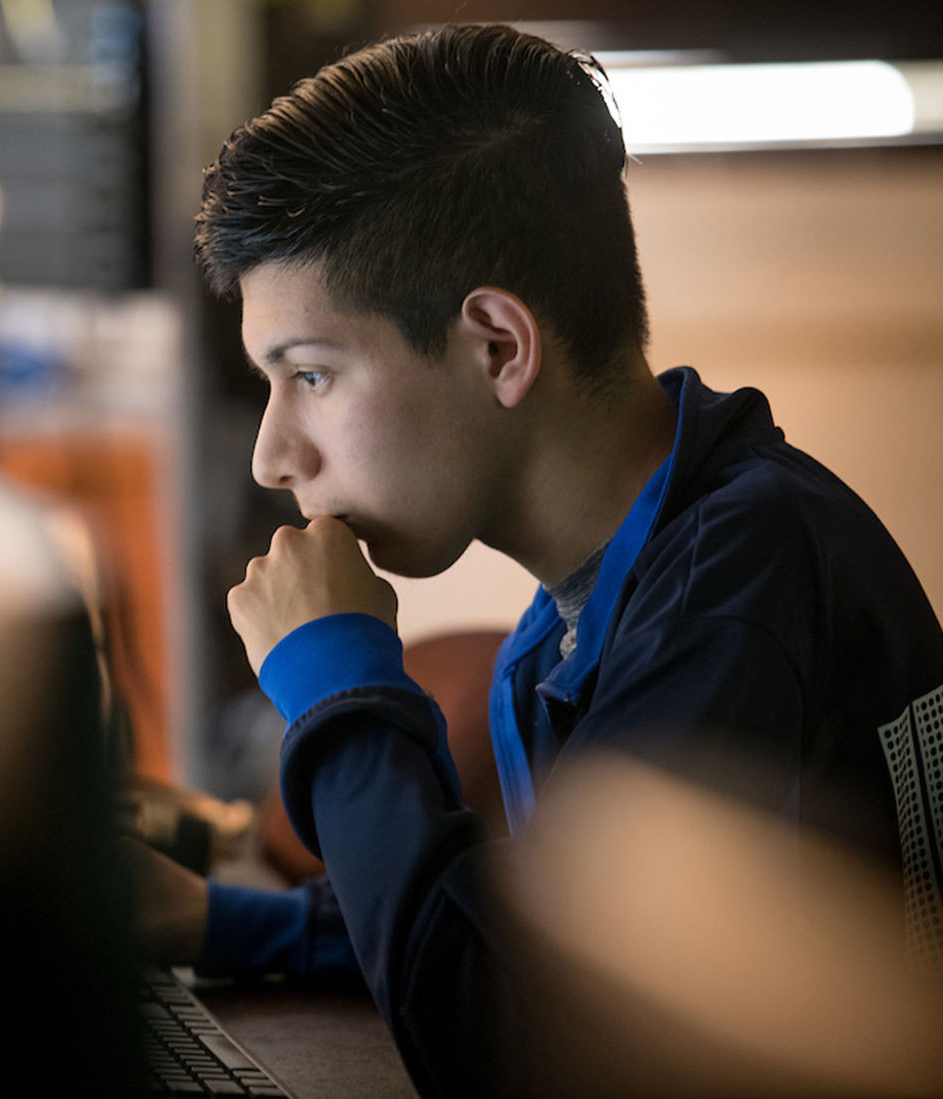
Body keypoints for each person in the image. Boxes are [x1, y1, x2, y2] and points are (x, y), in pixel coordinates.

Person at [128, 22, 943, 1096]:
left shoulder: (734, 597)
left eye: (310, 375)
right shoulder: (628, 574)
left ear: (498, 347)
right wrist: (230, 922)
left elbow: (510, 1041)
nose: (273, 454)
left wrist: (339, 679)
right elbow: (532, 923)